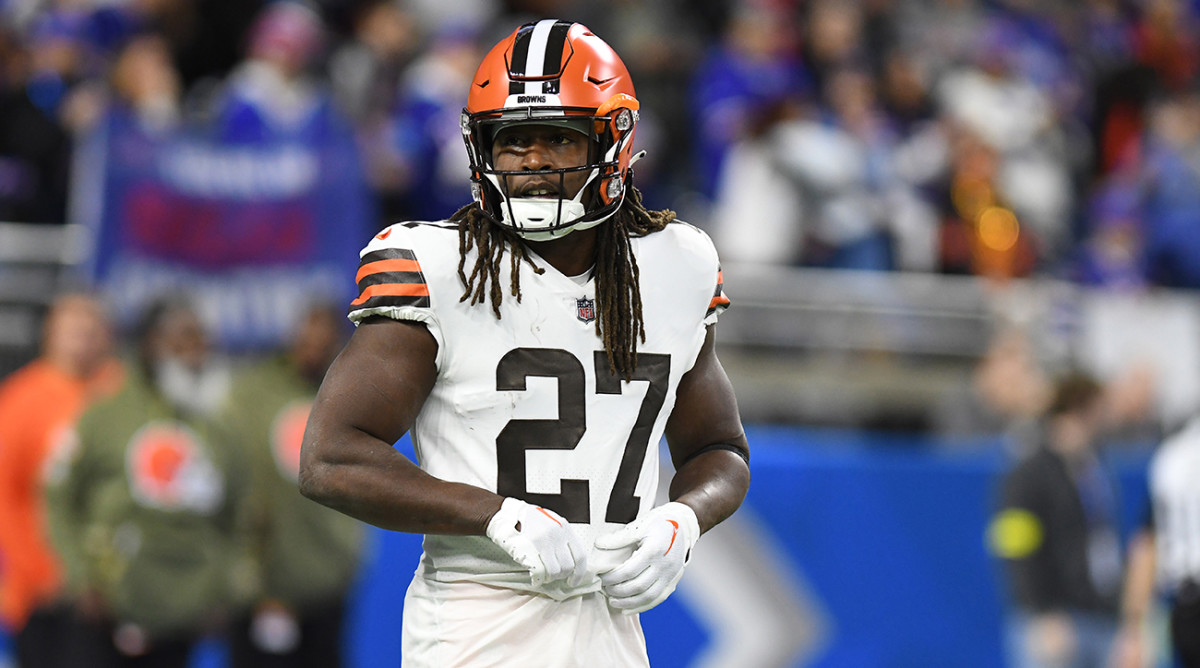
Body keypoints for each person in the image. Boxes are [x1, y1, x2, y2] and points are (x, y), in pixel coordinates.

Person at [299, 19, 751, 667]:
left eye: (558, 139)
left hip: (610, 625)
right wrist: (496, 517)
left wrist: (682, 520)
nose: (532, 161)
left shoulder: (675, 264)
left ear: (613, 142)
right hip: (475, 621)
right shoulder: (437, 264)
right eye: (512, 142)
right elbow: (332, 459)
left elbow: (719, 449)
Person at [42, 299, 252, 668]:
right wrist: (80, 578)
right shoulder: (103, 414)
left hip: (184, 614)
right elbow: (57, 496)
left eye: (202, 342)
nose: (195, 354)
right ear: (150, 344)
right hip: (105, 609)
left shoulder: (221, 428)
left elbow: (240, 515)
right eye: (182, 341)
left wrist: (224, 589)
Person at [221, 303, 364, 668]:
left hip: (325, 579)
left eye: (326, 336)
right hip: (257, 582)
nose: (315, 344)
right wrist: (249, 574)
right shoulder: (251, 395)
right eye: (307, 333)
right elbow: (234, 482)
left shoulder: (350, 398)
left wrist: (347, 556)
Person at [0, 293, 122, 668]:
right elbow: (6, 494)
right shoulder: (22, 399)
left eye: (92, 328)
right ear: (49, 333)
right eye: (73, 328)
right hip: (48, 591)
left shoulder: (122, 392)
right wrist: (36, 573)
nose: (84, 337)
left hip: (116, 589)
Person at [989, 371, 1125, 668]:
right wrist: (1042, 612)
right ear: (1081, 409)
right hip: (1056, 621)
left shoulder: (1095, 468)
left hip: (1100, 614)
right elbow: (1015, 547)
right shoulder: (1028, 473)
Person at [1110, 416, 1200, 668]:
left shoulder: (1173, 454)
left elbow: (1146, 544)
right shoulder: (1175, 456)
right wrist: (1134, 630)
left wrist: (1132, 629)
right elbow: (1147, 543)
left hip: (1185, 602)